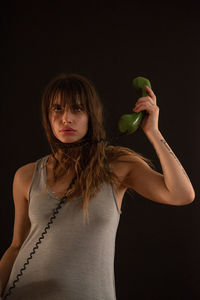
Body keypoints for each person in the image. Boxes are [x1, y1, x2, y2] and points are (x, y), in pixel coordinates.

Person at [0, 73, 195, 300]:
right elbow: (16, 246)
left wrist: (153, 131)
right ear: (47, 116)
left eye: (77, 109)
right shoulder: (26, 175)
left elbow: (182, 194)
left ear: (92, 115)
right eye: (57, 109)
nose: (66, 118)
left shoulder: (118, 166)